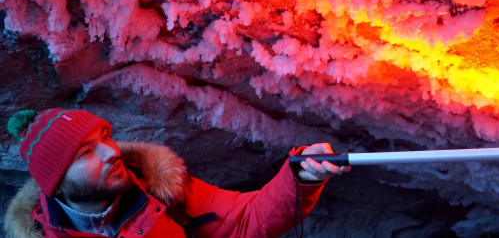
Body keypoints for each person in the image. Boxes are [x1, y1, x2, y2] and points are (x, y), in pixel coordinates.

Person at [4, 108, 348, 238]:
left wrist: (300, 175)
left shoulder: (163, 191)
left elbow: (244, 221)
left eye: (105, 138)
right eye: (86, 153)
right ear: (58, 183)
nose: (111, 152)